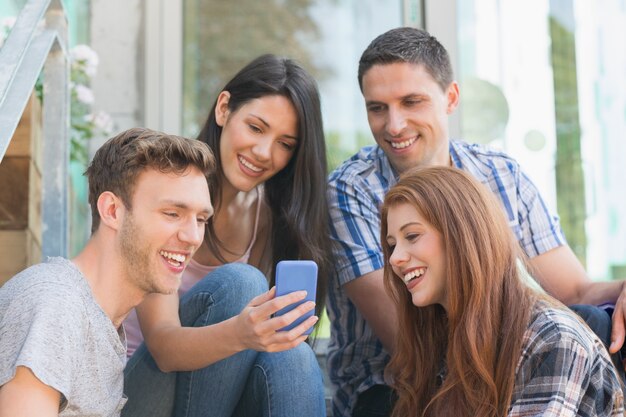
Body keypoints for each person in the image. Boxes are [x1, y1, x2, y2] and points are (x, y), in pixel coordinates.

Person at [327, 26, 626, 417]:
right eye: (377, 108)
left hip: (494, 359)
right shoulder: (351, 190)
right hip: (392, 387)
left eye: (411, 102)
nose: (393, 125)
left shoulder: (499, 172)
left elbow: (575, 290)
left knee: (596, 323)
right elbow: (412, 338)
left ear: (450, 98)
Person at [122, 54, 332, 417]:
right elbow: (164, 348)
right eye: (255, 127)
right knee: (241, 283)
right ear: (224, 109)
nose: (264, 152)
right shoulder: (166, 186)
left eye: (285, 143)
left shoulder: (266, 219)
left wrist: (261, 334)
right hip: (138, 390)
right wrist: (242, 332)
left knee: (293, 354)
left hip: (213, 397)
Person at [0, 127, 215, 417]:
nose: (193, 236)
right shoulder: (56, 304)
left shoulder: (102, 326)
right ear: (112, 210)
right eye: (172, 214)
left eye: (201, 219)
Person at [381, 166, 624, 416]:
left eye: (412, 236)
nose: (395, 258)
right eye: (391, 245)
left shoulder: (553, 338)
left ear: (463, 234)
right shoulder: (439, 341)